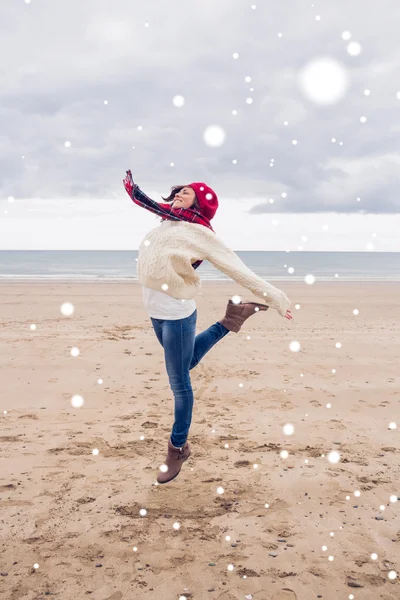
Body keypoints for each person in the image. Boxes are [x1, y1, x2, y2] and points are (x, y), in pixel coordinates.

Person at [123, 170, 293, 484]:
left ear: (199, 204)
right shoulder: (166, 222)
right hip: (155, 311)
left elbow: (236, 266)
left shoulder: (201, 233)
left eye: (185, 194)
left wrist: (276, 297)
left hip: (176, 312)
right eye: (177, 192)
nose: (177, 196)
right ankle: (232, 319)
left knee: (180, 383)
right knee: (185, 362)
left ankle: (177, 448)